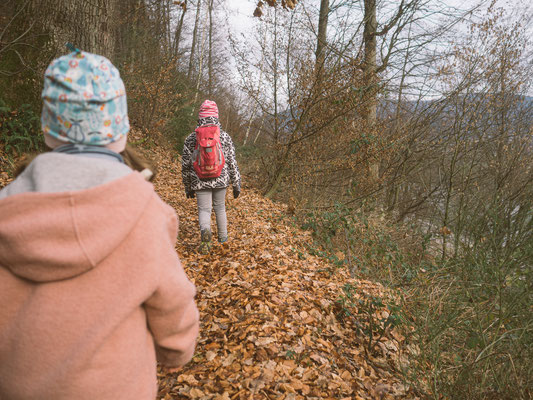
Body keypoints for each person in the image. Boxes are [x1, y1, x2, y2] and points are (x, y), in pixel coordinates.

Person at [0, 49, 199, 400]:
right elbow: (173, 302)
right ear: (119, 130)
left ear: (48, 129)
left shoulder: (7, 207)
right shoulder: (145, 211)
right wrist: (176, 351)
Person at [181, 100, 241, 254]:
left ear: (200, 116)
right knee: (220, 208)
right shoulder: (224, 136)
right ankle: (223, 240)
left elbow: (186, 165)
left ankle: (206, 238)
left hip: (199, 180)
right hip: (221, 178)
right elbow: (232, 162)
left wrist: (188, 186)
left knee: (204, 210)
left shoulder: (191, 138)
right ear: (216, 116)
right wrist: (236, 184)